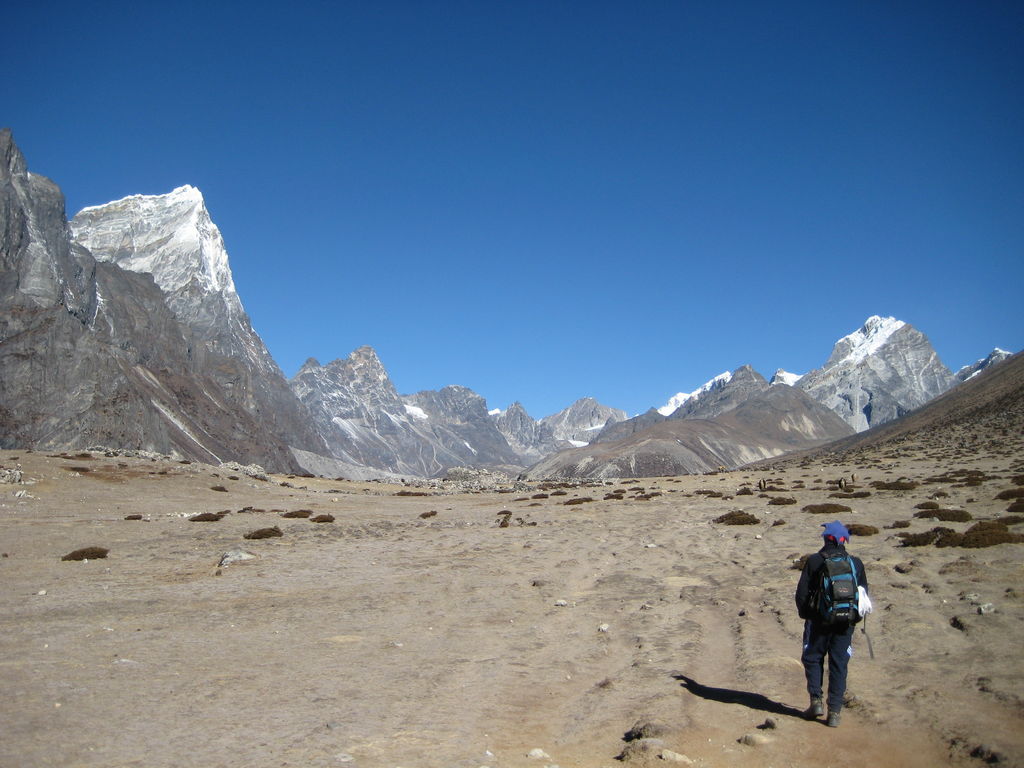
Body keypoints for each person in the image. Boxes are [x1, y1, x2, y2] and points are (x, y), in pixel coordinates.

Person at [794, 520, 869, 727]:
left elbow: (801, 594)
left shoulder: (815, 561)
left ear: (827, 538)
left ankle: (816, 701)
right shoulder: (856, 563)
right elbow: (862, 595)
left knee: (813, 658)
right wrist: (852, 619)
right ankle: (834, 711)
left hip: (819, 622)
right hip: (845, 623)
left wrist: (807, 615)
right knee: (839, 663)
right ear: (844, 540)